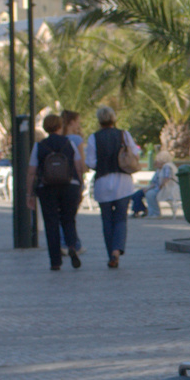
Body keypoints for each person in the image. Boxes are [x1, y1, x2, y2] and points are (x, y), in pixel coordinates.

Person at [85, 106, 143, 269]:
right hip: (123, 183)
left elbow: (90, 162)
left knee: (107, 220)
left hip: (102, 183)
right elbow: (134, 153)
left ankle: (110, 252)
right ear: (113, 118)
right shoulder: (123, 134)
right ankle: (117, 250)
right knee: (120, 219)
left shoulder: (93, 138)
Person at [28, 113, 83, 270]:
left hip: (47, 188)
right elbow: (78, 166)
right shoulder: (69, 143)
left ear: (46, 127)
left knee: (51, 223)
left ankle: (55, 261)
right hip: (69, 186)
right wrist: (80, 185)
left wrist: (29, 193)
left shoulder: (39, 146)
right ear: (60, 127)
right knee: (68, 219)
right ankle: (72, 246)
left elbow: (31, 171)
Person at [60, 109, 87, 254]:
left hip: (57, 179)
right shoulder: (77, 140)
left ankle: (69, 242)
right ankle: (71, 243)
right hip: (73, 181)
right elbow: (81, 164)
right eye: (77, 121)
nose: (79, 125)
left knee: (61, 214)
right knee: (70, 215)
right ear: (71, 122)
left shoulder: (59, 138)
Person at [142, 150, 176, 217]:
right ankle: (152, 213)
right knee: (149, 193)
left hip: (168, 189)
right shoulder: (165, 166)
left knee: (150, 194)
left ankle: (155, 213)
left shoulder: (167, 166)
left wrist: (160, 186)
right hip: (167, 188)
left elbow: (167, 178)